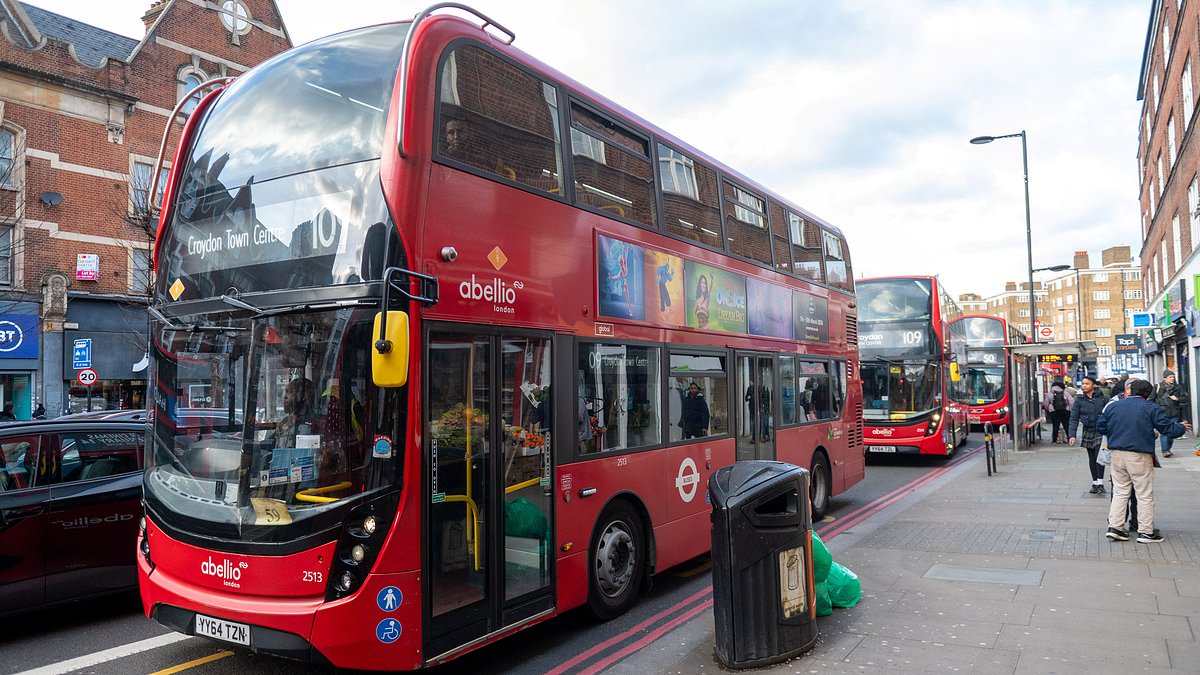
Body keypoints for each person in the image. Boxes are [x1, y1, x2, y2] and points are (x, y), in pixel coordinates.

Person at [1099, 378, 1190, 543]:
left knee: (1120, 491)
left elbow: (1101, 427)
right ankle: (1146, 532)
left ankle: (1115, 527)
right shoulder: (1150, 408)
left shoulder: (1113, 406)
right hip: (1139, 455)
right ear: (1148, 394)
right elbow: (1167, 428)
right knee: (1144, 494)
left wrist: (1118, 433)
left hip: (1117, 454)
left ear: (1130, 390)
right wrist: (1182, 428)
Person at [1068, 375, 1109, 494]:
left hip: (1101, 431)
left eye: (1087, 384)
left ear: (1093, 385)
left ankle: (1100, 482)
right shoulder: (1079, 400)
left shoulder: (1103, 398)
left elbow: (1110, 413)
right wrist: (1072, 435)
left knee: (1099, 456)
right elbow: (1074, 418)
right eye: (1083, 384)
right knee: (1092, 457)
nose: (1084, 386)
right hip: (1088, 430)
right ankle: (1095, 482)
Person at [1153, 369, 1190, 457]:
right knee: (1164, 432)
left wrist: (1177, 399)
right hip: (1162, 413)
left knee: (1172, 431)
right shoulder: (1158, 387)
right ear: (1165, 378)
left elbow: (1185, 399)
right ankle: (1165, 450)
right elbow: (1151, 399)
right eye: (1170, 377)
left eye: (1173, 377)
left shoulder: (1178, 387)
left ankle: (1168, 448)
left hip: (1175, 412)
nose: (1172, 378)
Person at [275, 377, 315, 448]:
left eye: (289, 392)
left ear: (303, 397)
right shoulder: (283, 423)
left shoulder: (313, 424)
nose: (285, 397)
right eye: (286, 392)